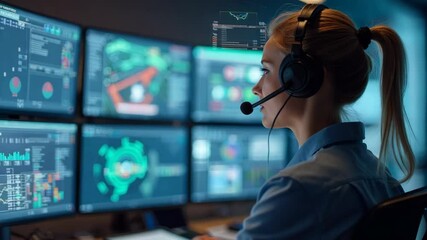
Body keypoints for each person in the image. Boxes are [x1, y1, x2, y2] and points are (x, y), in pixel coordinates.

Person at [194, 3, 415, 240]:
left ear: (300, 77)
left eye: (266, 71)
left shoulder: (296, 188)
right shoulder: (382, 178)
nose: (256, 88)